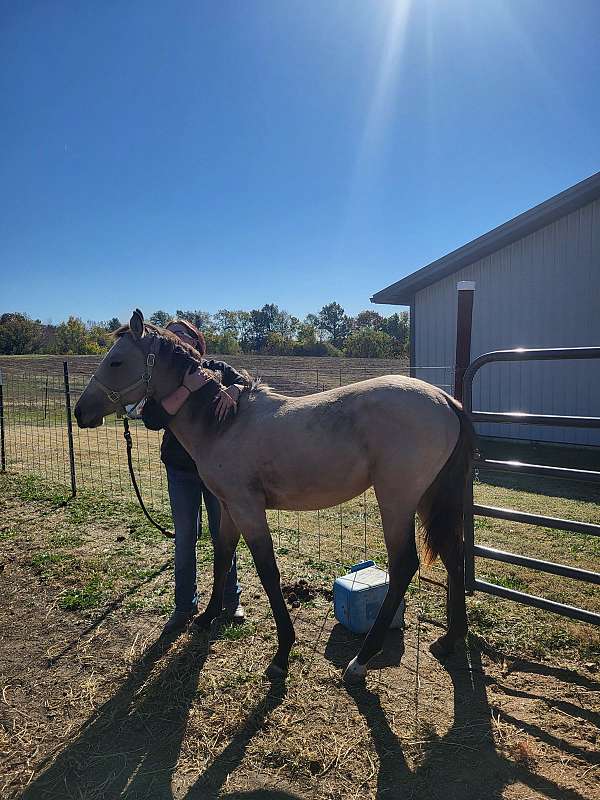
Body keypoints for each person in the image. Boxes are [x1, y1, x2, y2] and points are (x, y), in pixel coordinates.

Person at [141, 318, 247, 635]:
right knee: (186, 538)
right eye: (172, 337)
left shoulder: (215, 367)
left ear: (197, 342)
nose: (178, 340)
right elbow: (152, 418)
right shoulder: (163, 379)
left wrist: (235, 390)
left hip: (216, 470)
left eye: (184, 336)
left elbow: (246, 382)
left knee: (222, 535)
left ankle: (231, 598)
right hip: (181, 469)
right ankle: (184, 607)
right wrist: (187, 388)